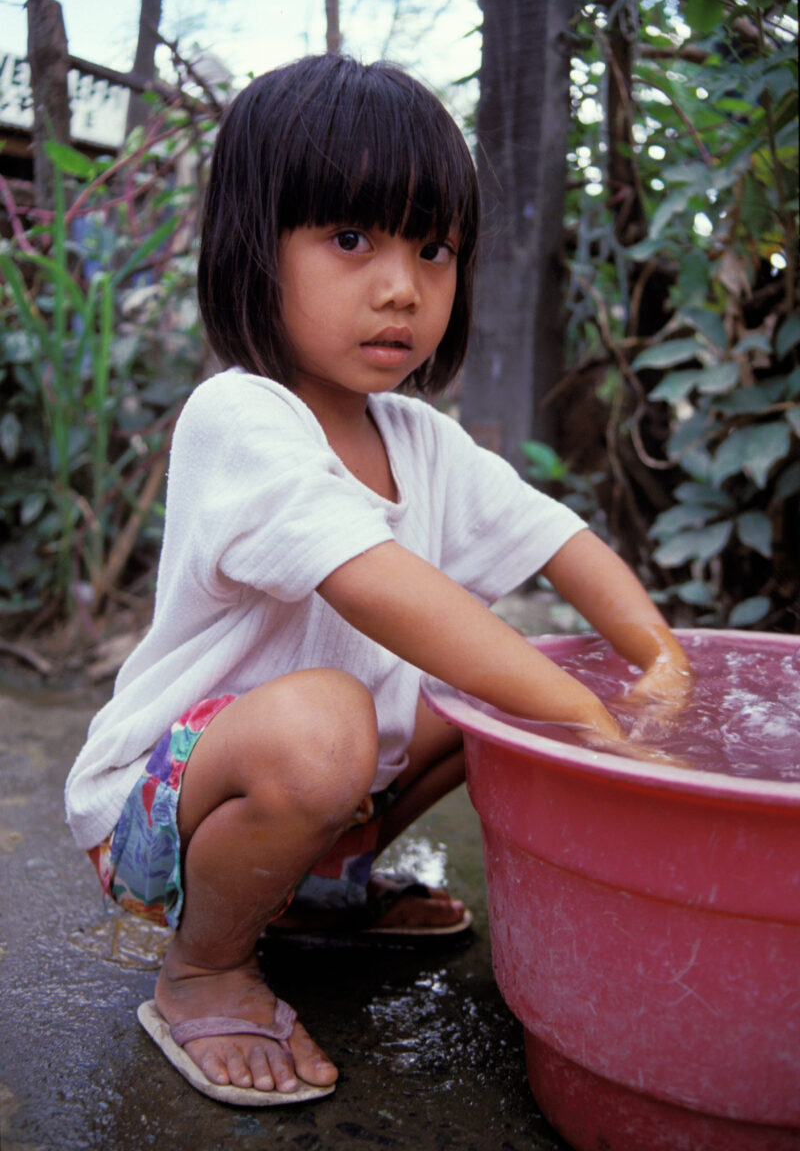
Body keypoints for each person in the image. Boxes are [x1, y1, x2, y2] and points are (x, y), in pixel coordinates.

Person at [65, 54, 691, 1107]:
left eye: (433, 248)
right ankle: (206, 965)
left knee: (507, 677)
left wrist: (659, 662)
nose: (401, 285)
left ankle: (315, 893)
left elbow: (561, 543)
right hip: (161, 819)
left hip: (316, 788)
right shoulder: (241, 417)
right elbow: (377, 587)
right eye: (350, 239)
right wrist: (591, 717)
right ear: (252, 249)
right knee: (334, 718)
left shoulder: (418, 436)